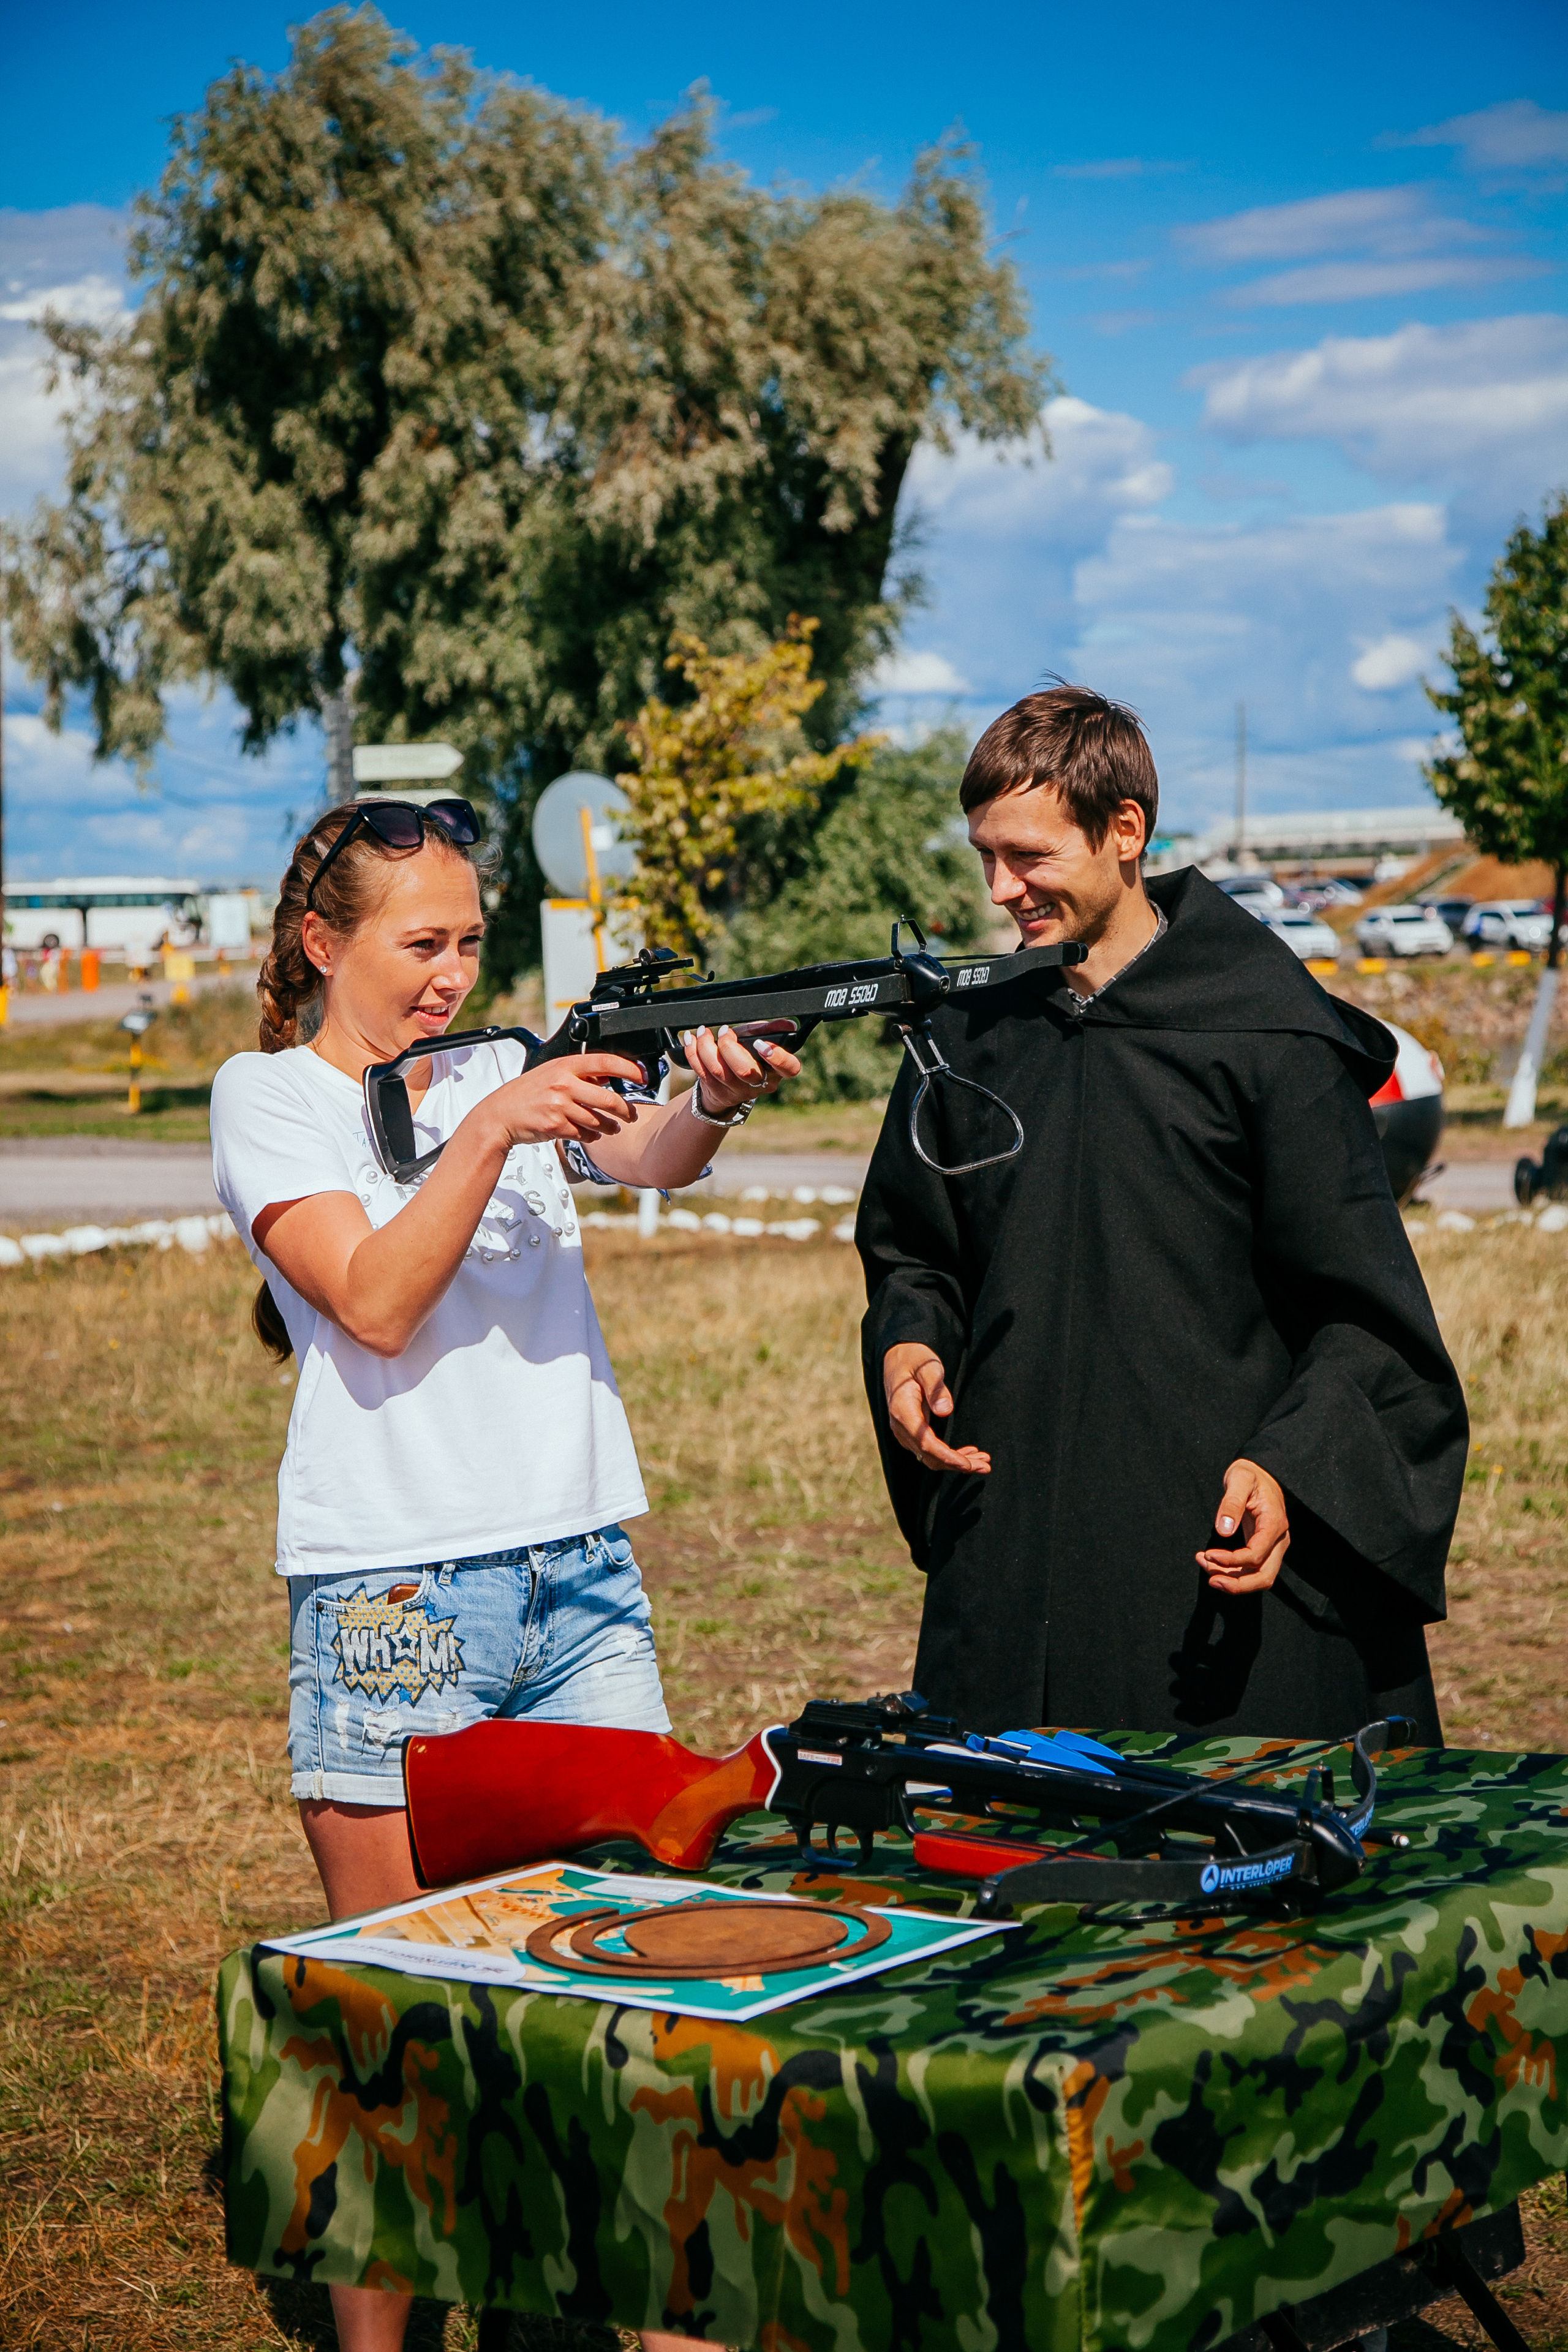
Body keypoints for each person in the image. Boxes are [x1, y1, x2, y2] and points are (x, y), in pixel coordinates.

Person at [211, 796, 796, 2352]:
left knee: (640, 2001)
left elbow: (650, 1155)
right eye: (420, 944)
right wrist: (488, 1126)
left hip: (579, 1567)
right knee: (393, 2028)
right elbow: (376, 1303)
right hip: (394, 1601)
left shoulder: (491, 1070)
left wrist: (711, 1097)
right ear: (323, 943)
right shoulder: (266, 1096)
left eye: (472, 941)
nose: (451, 977)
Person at [858, 685, 1468, 1744]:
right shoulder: (967, 1033)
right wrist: (911, 1339)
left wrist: (1293, 1464)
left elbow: (1366, 1319)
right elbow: (915, 1248)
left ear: (1125, 830)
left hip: (1211, 1573)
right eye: (986, 855)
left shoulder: (1271, 1035)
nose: (1002, 889)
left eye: (1030, 856)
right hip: (1014, 1559)